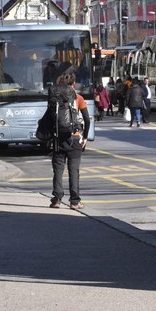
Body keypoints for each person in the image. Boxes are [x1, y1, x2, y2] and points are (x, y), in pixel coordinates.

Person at [48, 72, 86, 210]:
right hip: (74, 138)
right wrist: (85, 137)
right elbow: (87, 119)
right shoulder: (79, 98)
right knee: (73, 171)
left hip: (58, 138)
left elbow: (49, 118)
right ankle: (74, 202)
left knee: (58, 170)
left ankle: (56, 200)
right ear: (74, 83)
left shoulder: (55, 100)